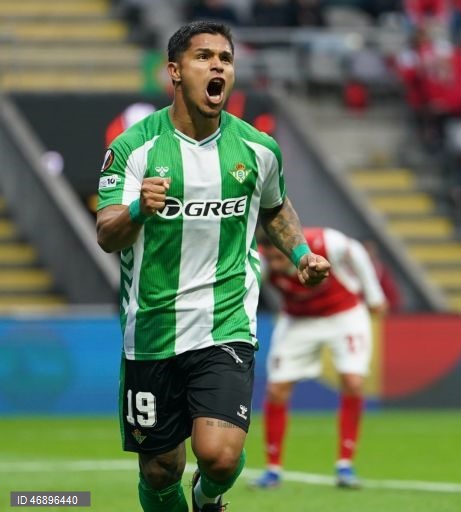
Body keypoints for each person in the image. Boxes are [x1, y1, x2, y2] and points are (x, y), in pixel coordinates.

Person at [95, 21, 330, 512]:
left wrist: (301, 253)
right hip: (153, 329)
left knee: (220, 457)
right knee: (160, 469)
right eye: (204, 57)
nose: (218, 65)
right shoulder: (133, 148)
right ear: (175, 72)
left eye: (225, 58)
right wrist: (138, 208)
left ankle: (208, 498)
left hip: (226, 321)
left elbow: (275, 207)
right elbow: (106, 233)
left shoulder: (258, 149)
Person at [249, 227, 387, 489]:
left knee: (354, 382)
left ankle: (345, 465)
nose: (278, 265)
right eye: (272, 259)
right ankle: (273, 469)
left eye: (282, 258)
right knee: (277, 390)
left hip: (343, 313)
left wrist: (374, 295)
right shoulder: (261, 261)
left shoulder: (324, 242)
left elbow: (356, 251)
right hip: (298, 320)